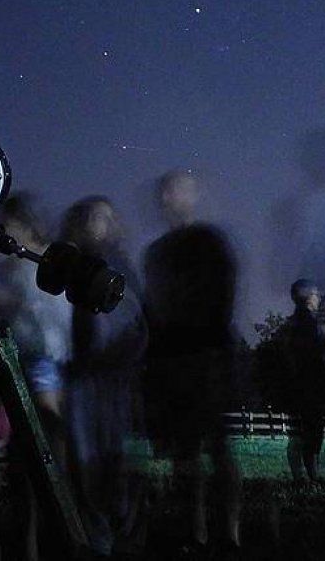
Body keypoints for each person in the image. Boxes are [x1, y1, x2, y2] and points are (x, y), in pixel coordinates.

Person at [142, 170, 241, 553]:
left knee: (217, 447)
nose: (169, 199)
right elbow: (153, 306)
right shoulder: (157, 251)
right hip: (171, 357)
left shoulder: (208, 240)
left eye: (176, 192)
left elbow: (224, 293)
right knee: (185, 451)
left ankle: (228, 534)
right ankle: (195, 532)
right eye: (164, 193)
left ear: (191, 196)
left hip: (206, 354)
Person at [59, 196, 147, 556]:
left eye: (107, 218)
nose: (102, 225)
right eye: (94, 218)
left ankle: (126, 533)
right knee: (86, 462)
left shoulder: (122, 267)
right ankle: (99, 539)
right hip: (82, 378)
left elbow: (138, 324)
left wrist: (125, 357)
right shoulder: (70, 266)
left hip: (116, 377)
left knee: (117, 459)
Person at [281, 279, 325, 485]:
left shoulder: (292, 323)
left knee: (297, 432)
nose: (319, 298)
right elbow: (311, 355)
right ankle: (310, 476)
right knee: (311, 432)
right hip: (309, 386)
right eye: (317, 294)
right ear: (309, 297)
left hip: (294, 385)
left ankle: (301, 476)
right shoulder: (309, 323)